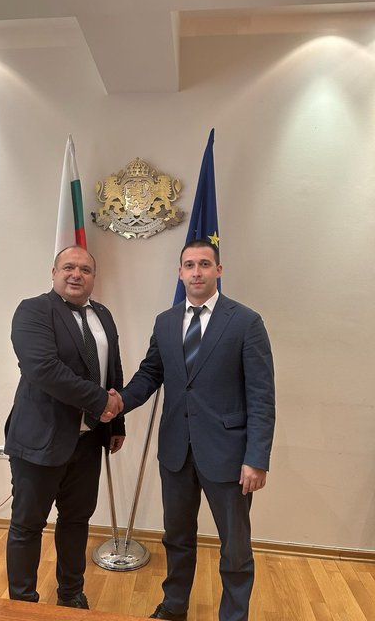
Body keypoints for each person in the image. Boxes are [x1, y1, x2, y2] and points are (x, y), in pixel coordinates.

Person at [117, 239, 275, 621]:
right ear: (180, 273)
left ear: (218, 270)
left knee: (235, 547)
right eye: (189, 265)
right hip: (176, 453)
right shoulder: (166, 322)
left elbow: (261, 395)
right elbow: (150, 374)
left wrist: (257, 458)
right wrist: (118, 402)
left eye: (205, 264)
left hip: (228, 456)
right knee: (176, 537)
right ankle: (174, 606)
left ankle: (233, 616)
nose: (197, 271)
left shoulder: (246, 322)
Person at [4, 245, 125, 609]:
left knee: (76, 521)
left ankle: (71, 596)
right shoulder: (33, 310)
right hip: (40, 440)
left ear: (94, 277)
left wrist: (116, 422)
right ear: (53, 273)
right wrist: (101, 401)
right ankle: (22, 604)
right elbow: (43, 369)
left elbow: (112, 371)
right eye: (69, 267)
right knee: (28, 525)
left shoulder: (103, 315)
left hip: (88, 442)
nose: (76, 274)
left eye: (85, 269)